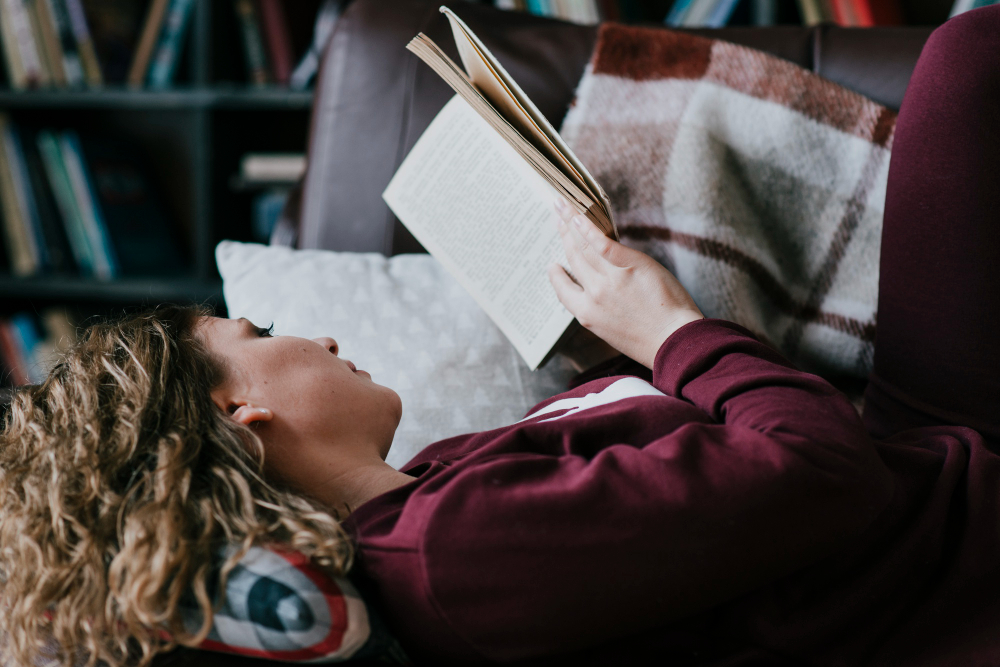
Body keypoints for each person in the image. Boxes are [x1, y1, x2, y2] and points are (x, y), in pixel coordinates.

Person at [2, 7, 999, 667]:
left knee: (966, 64)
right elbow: (824, 470)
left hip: (915, 455)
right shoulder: (450, 554)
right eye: (258, 330)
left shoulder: (432, 486)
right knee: (976, 57)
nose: (302, 332)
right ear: (240, 409)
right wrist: (666, 328)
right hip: (957, 515)